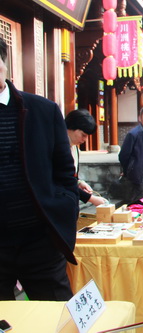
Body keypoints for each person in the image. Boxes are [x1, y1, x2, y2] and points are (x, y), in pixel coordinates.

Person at [0, 36, 79, 301]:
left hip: (40, 240)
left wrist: (65, 206)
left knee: (58, 315)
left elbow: (65, 173)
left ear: (5, 64)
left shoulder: (42, 110)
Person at [65, 109, 107, 206]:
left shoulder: (74, 147)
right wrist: (91, 199)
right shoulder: (58, 147)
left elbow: (72, 174)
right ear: (70, 128)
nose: (85, 139)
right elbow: (64, 180)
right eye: (83, 135)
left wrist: (79, 182)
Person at [118, 107, 143, 203]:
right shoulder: (133, 134)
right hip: (138, 174)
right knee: (138, 202)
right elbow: (123, 155)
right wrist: (128, 170)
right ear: (140, 118)